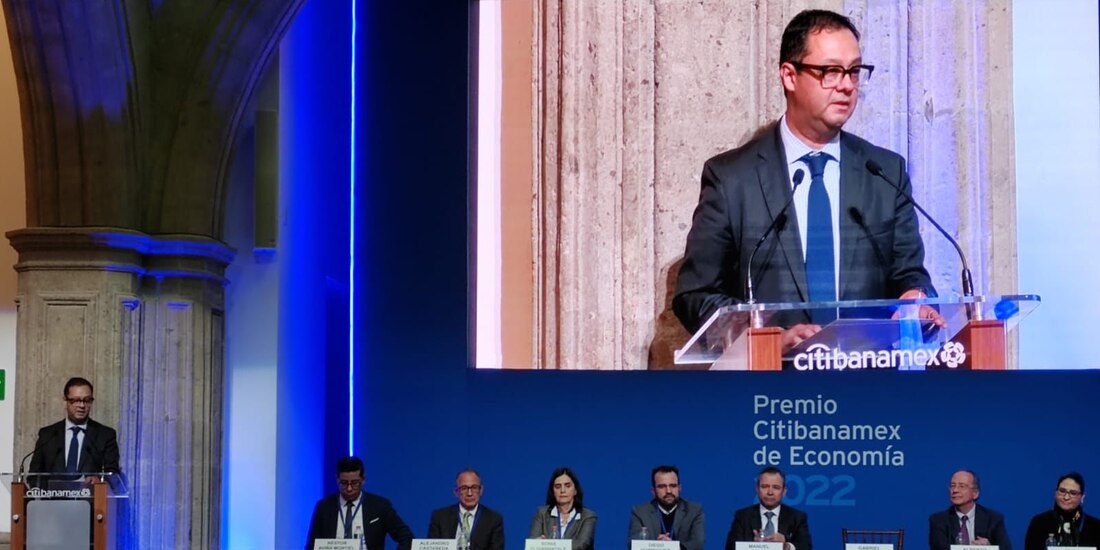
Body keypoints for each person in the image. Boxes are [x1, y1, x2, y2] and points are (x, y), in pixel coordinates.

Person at [673, 9, 941, 350]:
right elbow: (696, 296)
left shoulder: (885, 173)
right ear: (789, 75)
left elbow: (910, 274)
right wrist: (769, 342)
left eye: (854, 71)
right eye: (830, 72)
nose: (846, 85)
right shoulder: (732, 179)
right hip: (771, 393)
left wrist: (916, 298)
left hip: (869, 383)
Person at [305, 456, 414, 550]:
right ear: (337, 480)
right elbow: (311, 546)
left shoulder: (380, 506)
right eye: (343, 483)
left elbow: (407, 538)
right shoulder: (324, 507)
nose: (349, 488)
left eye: (354, 483)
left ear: (363, 480)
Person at [29, 377, 121, 477]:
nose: (82, 405)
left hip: (90, 492)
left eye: (87, 400)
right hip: (54, 492)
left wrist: (98, 481)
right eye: (76, 400)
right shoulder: (47, 435)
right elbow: (34, 474)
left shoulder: (105, 435)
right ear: (65, 402)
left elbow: (113, 474)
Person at [725, 466, 812, 550]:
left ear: (784, 491)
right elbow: (730, 547)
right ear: (757, 489)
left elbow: (806, 547)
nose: (770, 492)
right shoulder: (743, 516)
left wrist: (786, 546)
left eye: (776, 487)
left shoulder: (797, 517)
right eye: (765, 486)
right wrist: (753, 546)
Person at [928, 469, 1012, 550]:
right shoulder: (938, 520)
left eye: (962, 486)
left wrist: (989, 547)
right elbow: (938, 548)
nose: (955, 490)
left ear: (975, 493)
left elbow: (1005, 548)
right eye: (952, 486)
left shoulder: (993, 518)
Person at [627, 465, 705, 550]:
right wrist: (656, 546)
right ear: (653, 491)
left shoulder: (694, 511)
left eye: (673, 486)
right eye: (662, 486)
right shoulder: (640, 512)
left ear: (680, 488)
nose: (668, 491)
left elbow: (697, 544)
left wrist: (672, 547)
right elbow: (632, 544)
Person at [427, 469, 505, 550]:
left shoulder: (494, 519)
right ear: (456, 492)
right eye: (464, 488)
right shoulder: (440, 517)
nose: (470, 493)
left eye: (474, 487)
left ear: (481, 490)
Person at [1024, 472, 1100, 549]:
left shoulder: (1095, 526)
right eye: (1062, 491)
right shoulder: (1039, 523)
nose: (1066, 497)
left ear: (1082, 497)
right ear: (1055, 493)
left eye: (1073, 493)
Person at [528, 467, 597, 550]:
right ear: (553, 492)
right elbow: (532, 543)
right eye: (558, 487)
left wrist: (547, 545)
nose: (562, 490)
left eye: (567, 486)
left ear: (575, 490)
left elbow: (581, 544)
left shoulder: (588, 516)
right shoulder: (541, 513)